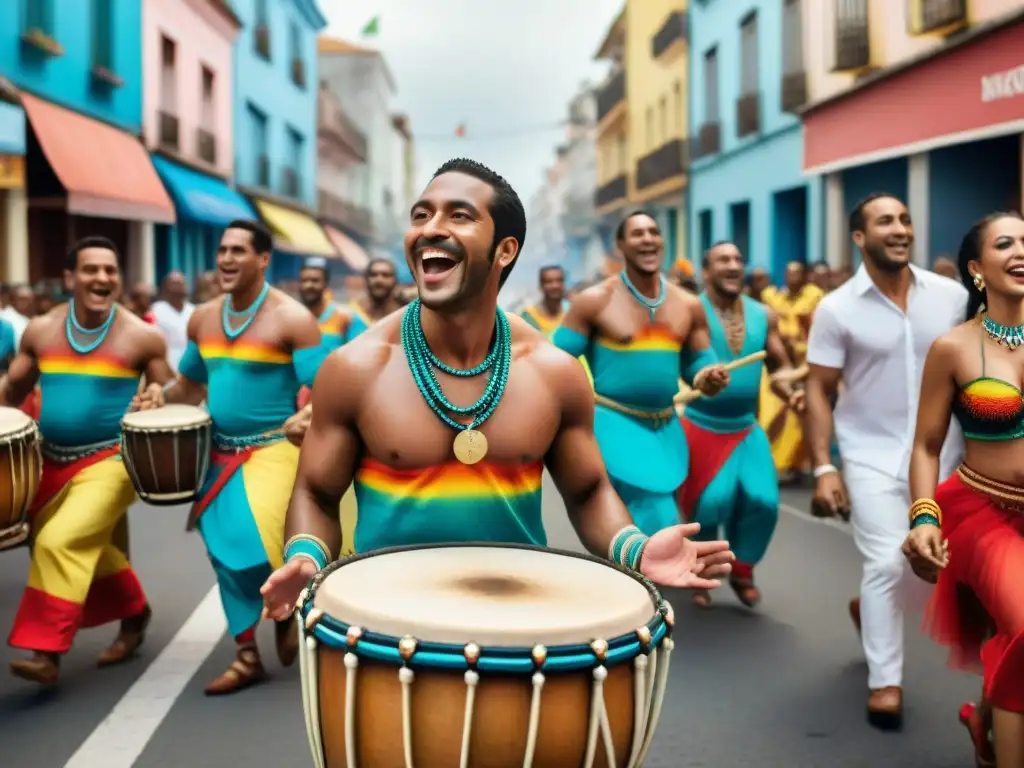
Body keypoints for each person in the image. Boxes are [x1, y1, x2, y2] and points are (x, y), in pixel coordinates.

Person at [261, 159, 735, 621]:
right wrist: (306, 557)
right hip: (385, 633)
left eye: (459, 215)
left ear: (505, 251)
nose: (430, 228)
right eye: (421, 214)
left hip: (515, 632)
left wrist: (636, 548)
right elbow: (316, 494)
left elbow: (588, 492)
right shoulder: (355, 368)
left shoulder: (554, 373)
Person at [136, 220, 324, 695]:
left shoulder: (293, 319)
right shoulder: (202, 318)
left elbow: (326, 391)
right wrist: (161, 397)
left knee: (254, 546)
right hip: (217, 453)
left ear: (263, 259)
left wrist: (308, 417)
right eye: (222, 250)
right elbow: (191, 386)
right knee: (224, 556)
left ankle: (283, 606)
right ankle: (246, 655)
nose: (226, 259)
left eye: (239, 251)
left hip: (277, 449)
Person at [805, 192, 968, 729]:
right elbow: (819, 388)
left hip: (947, 454)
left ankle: (870, 608)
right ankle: (886, 684)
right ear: (859, 237)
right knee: (885, 561)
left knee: (932, 567)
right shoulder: (836, 309)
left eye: (904, 219)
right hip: (869, 453)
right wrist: (825, 468)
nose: (899, 228)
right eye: (884, 221)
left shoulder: (951, 296)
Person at [0, 236, 173, 686]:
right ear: (69, 278)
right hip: (49, 459)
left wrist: (159, 398)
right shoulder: (39, 330)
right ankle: (136, 614)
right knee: (74, 545)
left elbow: (176, 398)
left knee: (59, 541)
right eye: (91, 269)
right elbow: (12, 394)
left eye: (110, 270)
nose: (102, 278)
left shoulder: (142, 335)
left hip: (113, 461)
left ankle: (45, 651)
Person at [903, 211, 1024, 766]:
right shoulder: (952, 348)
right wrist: (924, 516)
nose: (1021, 251)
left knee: (1013, 633)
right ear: (977, 269)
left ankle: (984, 717)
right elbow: (927, 446)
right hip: (981, 512)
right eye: (1006, 244)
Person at [552, 210, 729, 537]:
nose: (647, 239)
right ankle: (645, 581)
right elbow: (552, 361)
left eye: (653, 232)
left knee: (631, 523)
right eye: (637, 233)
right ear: (620, 245)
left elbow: (699, 362)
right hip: (612, 425)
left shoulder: (689, 305)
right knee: (657, 514)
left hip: (666, 428)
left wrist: (707, 377)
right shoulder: (593, 301)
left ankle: (623, 580)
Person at [679, 241, 803, 609]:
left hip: (746, 427)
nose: (733, 265)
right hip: (702, 424)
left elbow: (779, 367)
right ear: (706, 271)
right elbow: (676, 361)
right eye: (723, 260)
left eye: (738, 259)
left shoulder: (764, 315)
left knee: (763, 500)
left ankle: (743, 568)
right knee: (708, 506)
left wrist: (790, 391)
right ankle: (699, 570)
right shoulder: (689, 311)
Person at [760, 261, 824, 483]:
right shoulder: (773, 297)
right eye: (788, 273)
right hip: (778, 364)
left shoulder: (814, 296)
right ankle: (772, 462)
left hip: (806, 363)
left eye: (797, 273)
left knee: (802, 415)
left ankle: (803, 465)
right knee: (772, 412)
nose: (792, 277)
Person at [297, 257, 355, 351]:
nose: (308, 285)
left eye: (315, 281)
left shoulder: (345, 317)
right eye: (304, 281)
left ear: (326, 283)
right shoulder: (292, 317)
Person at [151, 271, 196, 373]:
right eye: (175, 284)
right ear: (165, 288)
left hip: (190, 368)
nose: (179, 287)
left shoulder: (193, 311)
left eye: (182, 283)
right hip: (165, 367)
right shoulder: (155, 310)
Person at [347, 257, 401, 334]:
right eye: (373, 275)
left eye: (386, 275)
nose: (379, 280)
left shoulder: (405, 315)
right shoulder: (351, 314)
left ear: (395, 280)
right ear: (366, 279)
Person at [520, 265, 569, 335]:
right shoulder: (528, 316)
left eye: (559, 280)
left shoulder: (572, 311)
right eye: (549, 281)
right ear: (541, 285)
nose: (555, 285)